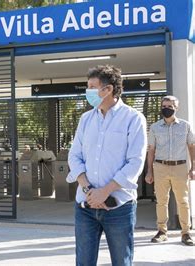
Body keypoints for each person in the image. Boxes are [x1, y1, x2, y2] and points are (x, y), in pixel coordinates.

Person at [66, 65, 147, 266]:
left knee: (122, 261)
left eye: (92, 87)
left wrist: (106, 191)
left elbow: (135, 162)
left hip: (119, 207)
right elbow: (74, 156)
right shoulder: (86, 119)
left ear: (108, 89)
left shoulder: (133, 119)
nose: (88, 92)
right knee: (83, 262)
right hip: (85, 206)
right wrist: (88, 189)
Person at [145, 95, 195, 246]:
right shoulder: (154, 127)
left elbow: (192, 146)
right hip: (160, 167)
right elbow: (151, 150)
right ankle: (162, 231)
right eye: (164, 106)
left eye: (170, 106)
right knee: (161, 201)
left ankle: (186, 233)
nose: (166, 109)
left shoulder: (185, 126)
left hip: (180, 167)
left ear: (176, 108)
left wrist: (193, 168)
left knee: (183, 201)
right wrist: (149, 171)